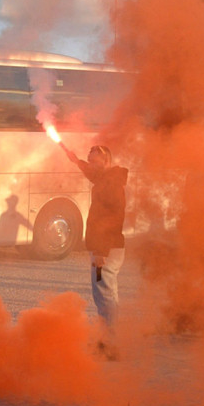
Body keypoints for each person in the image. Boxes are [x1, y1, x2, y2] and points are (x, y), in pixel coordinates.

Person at [60, 142, 129, 336]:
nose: (89, 163)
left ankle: (109, 341)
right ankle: (110, 336)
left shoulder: (112, 184)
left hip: (105, 250)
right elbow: (91, 173)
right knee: (105, 292)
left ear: (105, 160)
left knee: (104, 294)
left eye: (93, 159)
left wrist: (100, 251)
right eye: (88, 160)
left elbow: (114, 218)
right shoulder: (106, 178)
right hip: (107, 248)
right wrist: (75, 160)